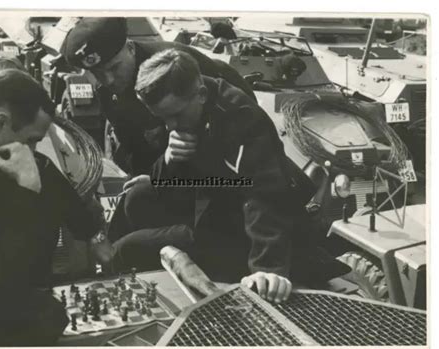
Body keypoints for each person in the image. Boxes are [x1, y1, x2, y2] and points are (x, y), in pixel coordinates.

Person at [112, 49, 346, 303]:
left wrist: (266, 271)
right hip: (212, 199)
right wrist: (168, 159)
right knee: (137, 197)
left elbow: (264, 197)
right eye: (163, 119)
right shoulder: (180, 106)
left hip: (241, 226)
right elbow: (181, 174)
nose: (170, 126)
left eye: (175, 116)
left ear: (201, 95)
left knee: (127, 249)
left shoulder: (241, 119)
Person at [0, 69, 114, 346]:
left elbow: (74, 210)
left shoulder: (11, 157)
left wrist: (96, 236)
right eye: (29, 140)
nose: (32, 150)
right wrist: (27, 190)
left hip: (21, 289)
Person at [60, 17, 255, 177]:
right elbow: (132, 149)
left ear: (130, 48)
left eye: (114, 67)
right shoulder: (106, 91)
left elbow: (236, 132)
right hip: (170, 163)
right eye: (99, 73)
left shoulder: (175, 66)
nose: (109, 80)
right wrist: (152, 177)